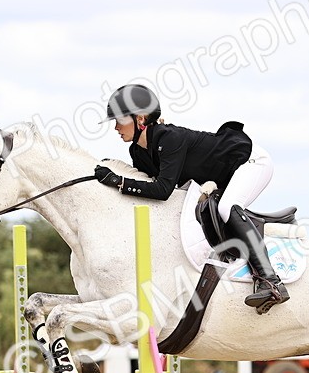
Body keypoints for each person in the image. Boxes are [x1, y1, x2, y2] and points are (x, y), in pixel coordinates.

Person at [93, 83, 289, 313]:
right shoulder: (137, 151)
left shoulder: (169, 138)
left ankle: (270, 280)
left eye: (120, 120)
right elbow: (148, 190)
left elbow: (163, 190)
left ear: (140, 118)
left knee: (227, 207)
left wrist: (119, 182)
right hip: (226, 174)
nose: (116, 127)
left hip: (250, 161)